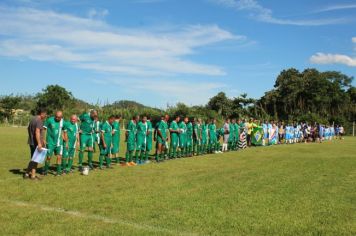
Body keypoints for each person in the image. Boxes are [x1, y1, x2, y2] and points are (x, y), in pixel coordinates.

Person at [24, 108, 47, 180]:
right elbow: (37, 132)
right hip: (36, 143)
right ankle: (33, 176)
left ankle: (27, 173)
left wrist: (42, 139)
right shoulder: (39, 121)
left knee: (33, 159)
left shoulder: (32, 119)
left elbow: (28, 128)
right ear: (42, 114)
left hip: (31, 142)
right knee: (36, 159)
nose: (46, 116)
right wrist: (39, 143)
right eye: (45, 114)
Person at [43, 110, 64, 176]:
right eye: (56, 117)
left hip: (59, 143)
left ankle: (58, 172)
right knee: (49, 157)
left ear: (61, 117)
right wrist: (43, 139)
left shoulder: (63, 122)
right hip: (50, 142)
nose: (57, 118)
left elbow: (66, 129)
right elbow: (44, 129)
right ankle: (45, 171)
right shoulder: (49, 120)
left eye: (59, 117)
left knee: (59, 157)